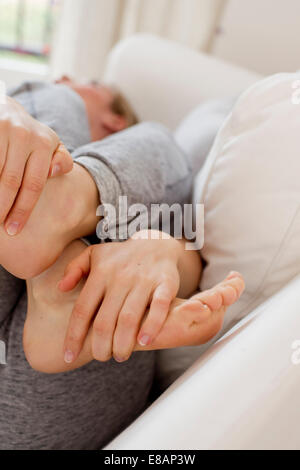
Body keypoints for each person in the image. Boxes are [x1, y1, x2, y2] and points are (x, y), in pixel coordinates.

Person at [0, 79, 243, 449]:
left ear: (115, 121)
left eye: (90, 82)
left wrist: (161, 249)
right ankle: (61, 227)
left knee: (57, 102)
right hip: (62, 403)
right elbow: (191, 258)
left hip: (67, 370)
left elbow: (190, 260)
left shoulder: (49, 96)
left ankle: (60, 209)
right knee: (157, 145)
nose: (65, 77)